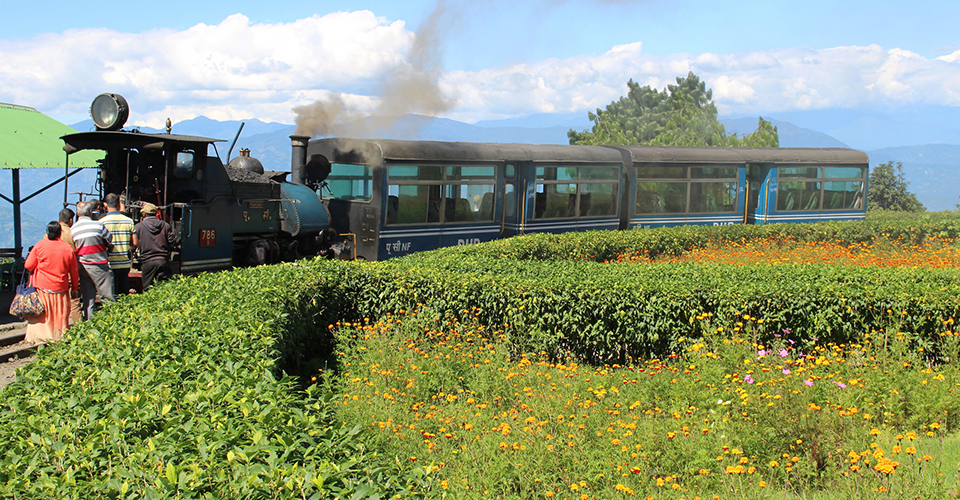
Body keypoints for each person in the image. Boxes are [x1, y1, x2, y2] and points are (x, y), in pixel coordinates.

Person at [23, 222, 79, 343]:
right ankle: (58, 335)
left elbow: (28, 265)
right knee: (58, 314)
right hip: (61, 287)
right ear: (60, 233)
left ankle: (39, 336)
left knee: (44, 314)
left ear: (47, 232)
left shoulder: (39, 246)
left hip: (41, 286)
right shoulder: (67, 248)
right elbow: (74, 271)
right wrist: (75, 287)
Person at [73, 200, 115, 320]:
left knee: (88, 298)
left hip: (82, 265)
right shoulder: (98, 225)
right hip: (99, 264)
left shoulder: (73, 229)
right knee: (107, 296)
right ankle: (111, 321)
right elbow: (109, 238)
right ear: (90, 212)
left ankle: (89, 322)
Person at [100, 194, 138, 296]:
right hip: (125, 263)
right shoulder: (129, 221)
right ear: (119, 204)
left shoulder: (101, 223)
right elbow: (135, 243)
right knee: (123, 294)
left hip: (109, 264)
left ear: (105, 205)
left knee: (112, 295)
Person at [135, 202, 175, 291]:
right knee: (163, 289)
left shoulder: (138, 227)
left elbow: (133, 244)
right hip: (163, 260)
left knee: (147, 289)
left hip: (147, 262)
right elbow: (172, 242)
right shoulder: (165, 225)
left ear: (144, 214)